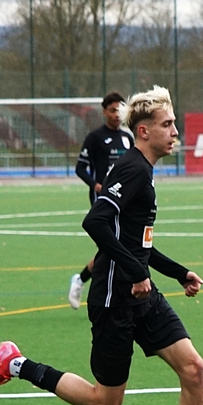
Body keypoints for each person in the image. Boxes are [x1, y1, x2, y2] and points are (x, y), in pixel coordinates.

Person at [0, 86, 203, 405]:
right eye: (167, 124)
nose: (175, 132)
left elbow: (137, 244)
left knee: (193, 369)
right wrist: (135, 271)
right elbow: (94, 222)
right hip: (114, 300)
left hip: (142, 296)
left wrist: (177, 272)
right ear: (144, 131)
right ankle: (16, 364)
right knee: (105, 403)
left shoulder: (143, 170)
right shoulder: (133, 169)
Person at [69, 92, 136, 310]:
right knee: (111, 246)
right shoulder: (95, 137)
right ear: (104, 112)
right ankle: (88, 285)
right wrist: (96, 186)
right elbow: (80, 168)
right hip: (103, 199)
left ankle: (84, 281)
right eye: (113, 110)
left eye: (120, 110)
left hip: (126, 200)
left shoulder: (128, 138)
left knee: (118, 246)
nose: (117, 115)